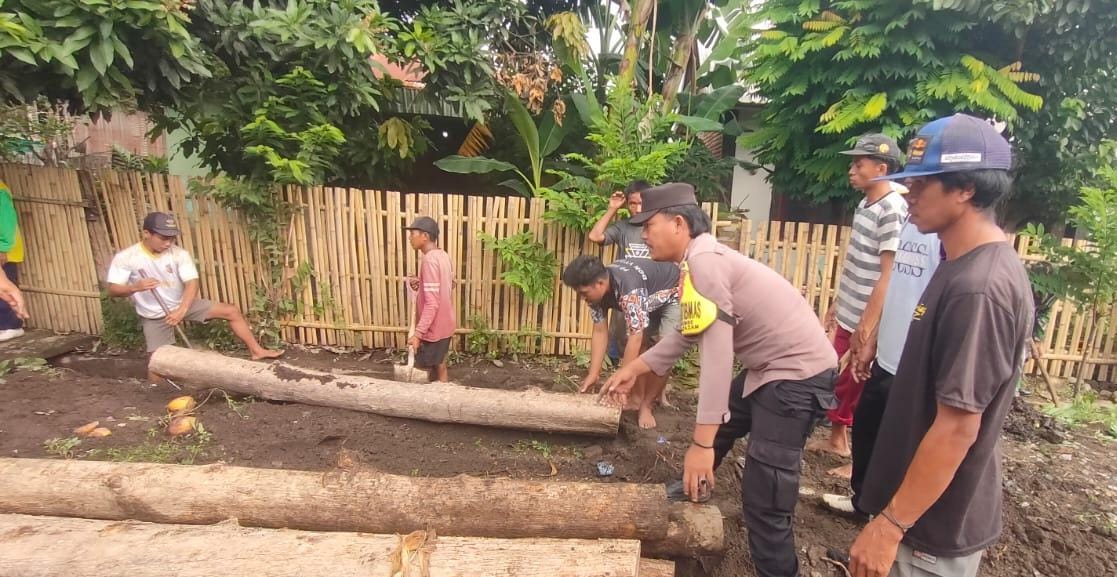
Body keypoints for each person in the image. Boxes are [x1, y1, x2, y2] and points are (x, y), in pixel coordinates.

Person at [601, 182, 837, 577]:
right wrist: (634, 368)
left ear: (678, 224)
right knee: (726, 422)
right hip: (769, 370)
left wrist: (700, 444)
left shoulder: (705, 264)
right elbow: (690, 331)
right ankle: (694, 486)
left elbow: (717, 356)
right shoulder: (697, 261)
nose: (643, 236)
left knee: (765, 497)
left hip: (796, 378)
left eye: (649, 226)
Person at [848, 114, 1033, 577]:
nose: (908, 194)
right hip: (914, 515)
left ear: (965, 189)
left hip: (927, 531)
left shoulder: (979, 289)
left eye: (921, 184)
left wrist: (891, 525)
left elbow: (957, 428)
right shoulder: (957, 264)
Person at [821, 195, 944, 516]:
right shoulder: (909, 225)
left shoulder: (943, 239)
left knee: (902, 442)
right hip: (888, 353)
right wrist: (873, 339)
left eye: (920, 187)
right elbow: (896, 289)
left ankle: (898, 516)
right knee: (866, 426)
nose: (911, 195)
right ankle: (863, 502)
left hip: (915, 363)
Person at [813, 134, 908, 478]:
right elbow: (858, 262)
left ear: (881, 169)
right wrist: (838, 303)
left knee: (862, 387)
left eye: (858, 164)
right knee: (841, 381)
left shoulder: (892, 210)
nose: (851, 171)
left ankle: (859, 461)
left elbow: (888, 275)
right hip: (850, 310)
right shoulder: (866, 203)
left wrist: (867, 327)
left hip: (868, 319)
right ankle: (837, 440)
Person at [106, 212, 283, 384]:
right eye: (163, 238)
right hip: (154, 314)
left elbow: (192, 283)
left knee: (231, 311)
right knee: (157, 363)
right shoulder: (127, 258)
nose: (168, 243)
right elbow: (113, 290)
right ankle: (154, 391)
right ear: (146, 233)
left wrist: (182, 310)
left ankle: (257, 351)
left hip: (182, 304)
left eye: (172, 238)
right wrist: (135, 287)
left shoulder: (179, 254)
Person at [562, 255, 679, 429]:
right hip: (648, 297)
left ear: (600, 284)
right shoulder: (596, 295)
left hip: (673, 293)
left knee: (664, 352)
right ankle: (636, 399)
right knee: (641, 345)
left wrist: (622, 380)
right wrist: (593, 374)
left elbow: (635, 336)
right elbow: (600, 331)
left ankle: (647, 405)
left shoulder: (629, 289)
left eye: (583, 293)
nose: (582, 298)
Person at [588, 180, 652, 367]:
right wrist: (612, 209)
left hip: (652, 291)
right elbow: (595, 236)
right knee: (625, 338)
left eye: (642, 203)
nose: (637, 209)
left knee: (650, 340)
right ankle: (624, 376)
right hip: (626, 292)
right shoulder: (623, 228)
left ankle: (645, 382)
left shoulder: (657, 226)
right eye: (632, 203)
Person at [405, 216, 455, 382]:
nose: (410, 238)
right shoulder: (443, 256)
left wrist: (418, 334)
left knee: (423, 370)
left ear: (425, 236)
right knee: (439, 364)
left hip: (433, 328)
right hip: (446, 324)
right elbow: (450, 284)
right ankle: (444, 394)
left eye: (413, 234)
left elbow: (432, 303)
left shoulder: (429, 260)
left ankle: (432, 397)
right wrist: (421, 283)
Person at [0, 180, 26, 341]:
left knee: (6, 290)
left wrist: (2, 248)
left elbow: (6, 222)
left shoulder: (0, 192)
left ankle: (12, 326)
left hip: (5, 251)